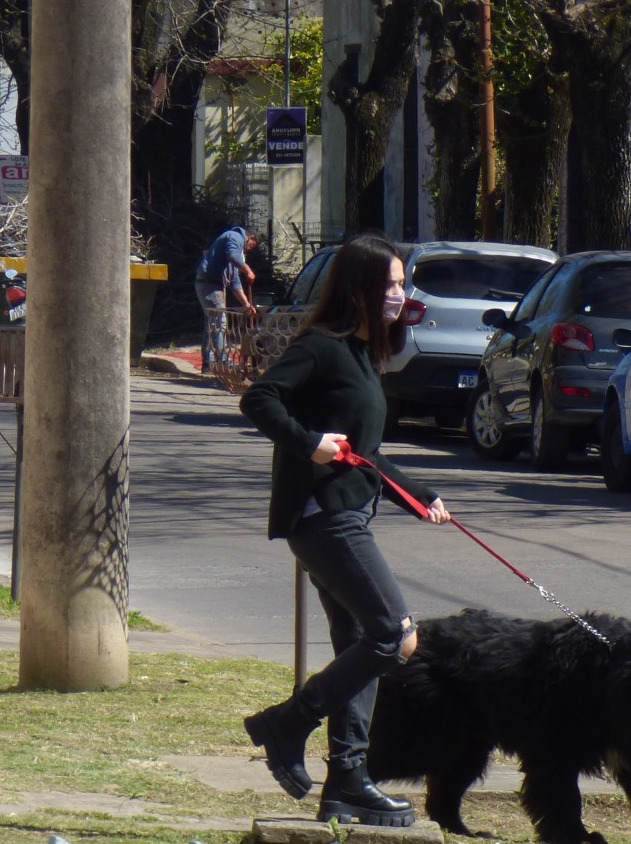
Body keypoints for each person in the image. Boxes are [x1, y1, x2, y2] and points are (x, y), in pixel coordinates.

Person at [239, 232, 451, 829]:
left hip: (351, 511)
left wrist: (422, 496)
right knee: (393, 635)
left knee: (361, 642)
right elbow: (259, 400)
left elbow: (365, 453)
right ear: (357, 288)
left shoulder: (363, 356)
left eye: (402, 283)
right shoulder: (322, 347)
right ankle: (286, 724)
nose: (398, 294)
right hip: (323, 518)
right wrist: (309, 444)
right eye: (388, 284)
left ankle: (348, 782)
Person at [195, 226, 260, 372]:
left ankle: (209, 363)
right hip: (210, 284)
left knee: (212, 323)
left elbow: (235, 283)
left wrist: (247, 304)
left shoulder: (236, 254)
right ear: (250, 238)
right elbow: (232, 255)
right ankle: (221, 360)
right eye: (251, 246)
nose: (248, 249)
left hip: (214, 285)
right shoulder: (235, 237)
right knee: (219, 321)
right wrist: (248, 270)